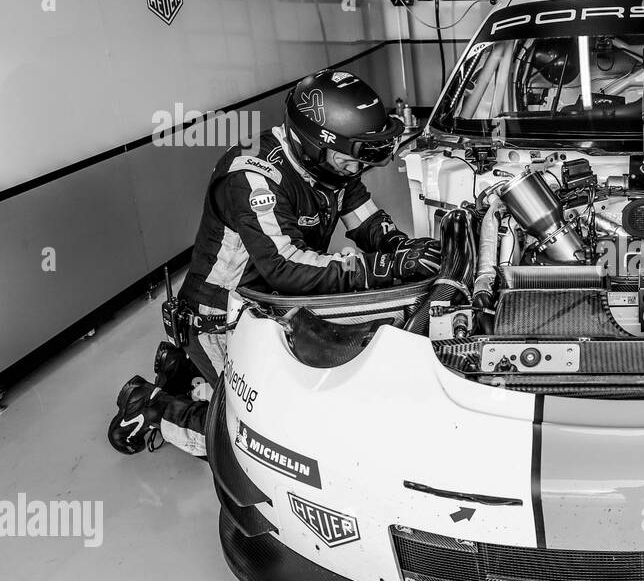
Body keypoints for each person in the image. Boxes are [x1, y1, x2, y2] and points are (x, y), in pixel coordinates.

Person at [108, 69, 440, 459]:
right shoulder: (252, 173)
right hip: (221, 317)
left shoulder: (333, 168)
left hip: (274, 303)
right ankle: (150, 406)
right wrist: (382, 268)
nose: (357, 168)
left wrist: (408, 250)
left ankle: (188, 374)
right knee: (251, 440)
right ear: (315, 143)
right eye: (350, 159)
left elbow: (367, 222)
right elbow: (284, 265)